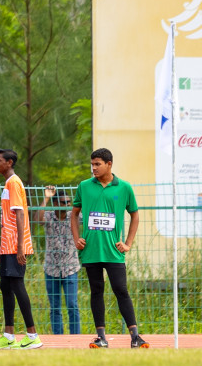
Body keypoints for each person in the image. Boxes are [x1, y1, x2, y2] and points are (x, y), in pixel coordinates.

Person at [72, 149, 148, 348]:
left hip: (114, 252)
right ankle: (101, 337)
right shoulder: (84, 186)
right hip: (91, 250)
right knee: (96, 291)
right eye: (92, 164)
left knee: (121, 290)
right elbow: (74, 214)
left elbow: (135, 215)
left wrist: (128, 243)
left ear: (109, 164)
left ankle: (135, 337)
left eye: (97, 164)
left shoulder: (124, 187)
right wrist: (76, 238)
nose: (93, 168)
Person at [0, 149, 41, 350]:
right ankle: (9, 335)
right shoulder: (8, 183)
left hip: (15, 245)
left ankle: (32, 335)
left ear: (9, 163)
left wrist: (20, 247)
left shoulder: (14, 183)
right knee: (5, 286)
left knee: (18, 286)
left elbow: (20, 215)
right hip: (7, 245)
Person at [42, 185, 81, 336]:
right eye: (64, 202)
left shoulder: (74, 216)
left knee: (72, 305)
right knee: (55, 307)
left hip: (71, 268)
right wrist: (46, 198)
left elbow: (91, 219)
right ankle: (59, 338)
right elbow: (38, 219)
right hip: (51, 269)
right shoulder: (49, 216)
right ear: (56, 203)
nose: (67, 205)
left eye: (69, 202)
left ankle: (75, 337)